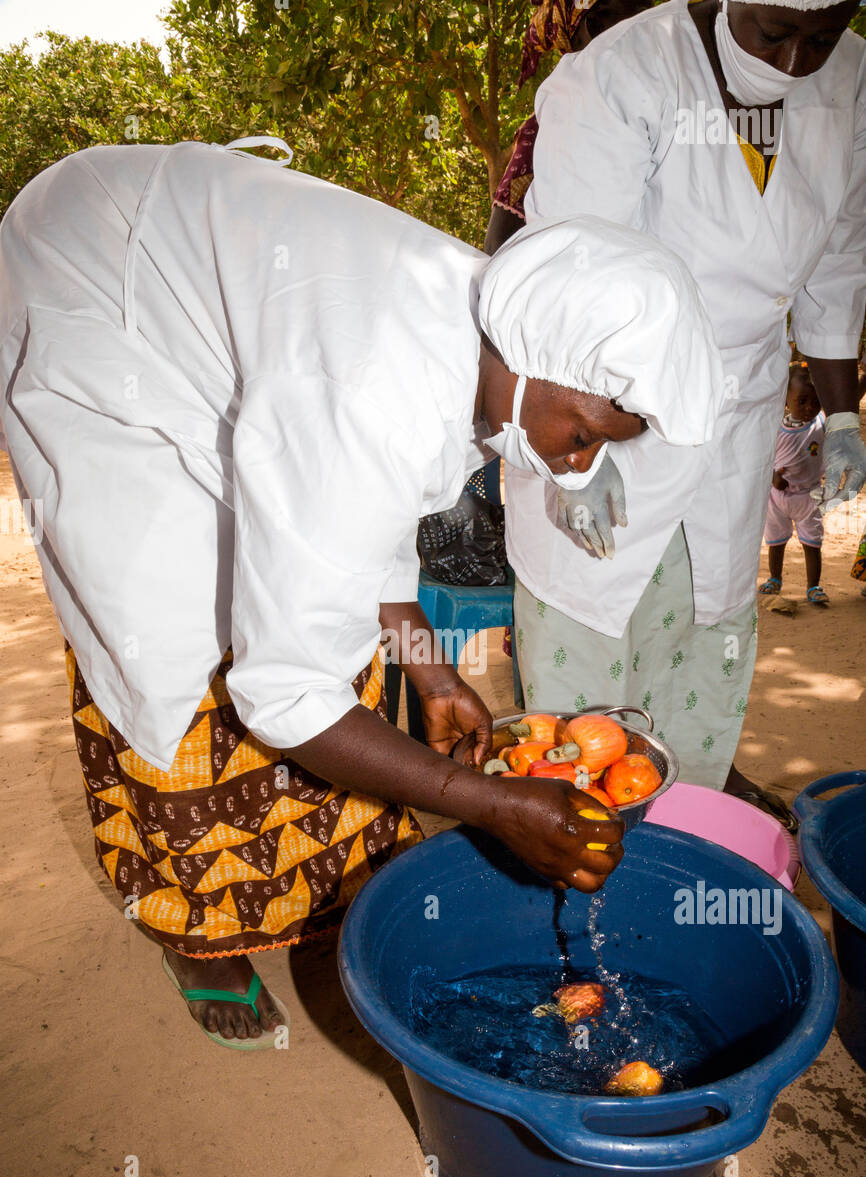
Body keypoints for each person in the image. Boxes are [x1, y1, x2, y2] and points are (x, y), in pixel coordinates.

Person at [0, 140, 725, 1047]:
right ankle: (198, 935)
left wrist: (430, 673)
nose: (578, 464)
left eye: (599, 445)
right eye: (580, 434)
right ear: (534, 360)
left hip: (217, 311)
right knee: (171, 629)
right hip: (94, 287)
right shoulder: (373, 384)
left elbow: (366, 524)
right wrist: (491, 802)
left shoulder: (491, 348)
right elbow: (285, 689)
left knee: (315, 608)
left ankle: (326, 895)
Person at [501, 0, 866, 825]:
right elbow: (570, 276)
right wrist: (575, 458)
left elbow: (840, 258)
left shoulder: (855, 85)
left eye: (826, 34)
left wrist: (841, 414)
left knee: (707, 644)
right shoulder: (622, 74)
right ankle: (580, 861)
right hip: (602, 404)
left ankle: (682, 841)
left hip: (738, 410)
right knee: (586, 670)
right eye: (776, 34)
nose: (800, 60)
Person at [485, 0, 652, 255]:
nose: (654, 31)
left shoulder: (659, 103)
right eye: (642, 17)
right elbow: (498, 246)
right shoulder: (543, 127)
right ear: (596, 27)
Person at [759, 362, 829, 603]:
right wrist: (772, 477)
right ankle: (775, 578)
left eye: (816, 401)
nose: (810, 407)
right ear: (785, 400)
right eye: (802, 401)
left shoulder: (820, 423)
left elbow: (851, 396)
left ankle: (813, 587)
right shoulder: (774, 428)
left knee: (812, 544)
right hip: (777, 498)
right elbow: (762, 458)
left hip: (809, 497)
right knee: (775, 540)